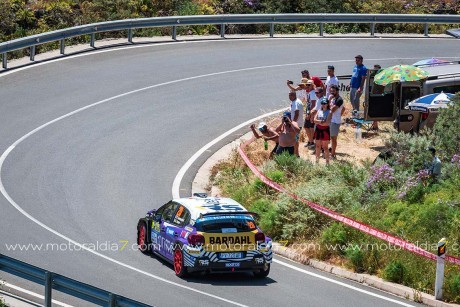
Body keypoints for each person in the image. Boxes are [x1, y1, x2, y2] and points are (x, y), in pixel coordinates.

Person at [313, 97, 332, 165]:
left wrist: (318, 122)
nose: (323, 105)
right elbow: (314, 120)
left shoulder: (329, 112)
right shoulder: (319, 111)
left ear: (327, 104)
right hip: (318, 130)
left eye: (325, 103)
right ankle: (317, 161)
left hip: (325, 130)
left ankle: (327, 163)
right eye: (322, 103)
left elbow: (327, 123)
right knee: (318, 146)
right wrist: (321, 121)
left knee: (325, 147)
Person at [329, 84, 344, 159]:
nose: (332, 92)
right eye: (331, 91)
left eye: (333, 91)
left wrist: (338, 116)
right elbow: (343, 108)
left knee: (333, 138)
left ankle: (333, 154)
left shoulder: (339, 100)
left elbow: (332, 110)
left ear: (337, 91)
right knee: (330, 137)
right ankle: (331, 151)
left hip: (335, 122)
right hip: (331, 120)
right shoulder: (333, 98)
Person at [288, 91, 304, 157]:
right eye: (289, 95)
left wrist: (292, 124)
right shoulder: (294, 101)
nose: (289, 97)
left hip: (296, 125)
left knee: (295, 140)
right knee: (295, 140)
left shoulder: (296, 103)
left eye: (291, 95)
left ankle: (296, 154)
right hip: (296, 125)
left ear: (294, 95)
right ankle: (296, 153)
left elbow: (296, 114)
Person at [303, 80, 317, 148]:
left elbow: (313, 104)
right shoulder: (310, 92)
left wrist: (309, 114)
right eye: (307, 84)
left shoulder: (312, 93)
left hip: (311, 112)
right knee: (307, 127)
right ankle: (310, 141)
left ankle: (312, 142)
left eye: (309, 84)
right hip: (309, 111)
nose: (308, 86)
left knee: (310, 127)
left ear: (312, 85)